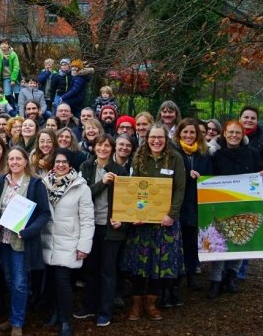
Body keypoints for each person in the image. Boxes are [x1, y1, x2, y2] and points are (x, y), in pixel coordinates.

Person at [122, 124, 185, 321]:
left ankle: (151, 304)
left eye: (160, 137)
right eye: (152, 137)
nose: (156, 141)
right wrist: (136, 215)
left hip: (165, 222)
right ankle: (136, 303)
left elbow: (180, 189)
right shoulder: (139, 157)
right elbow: (134, 189)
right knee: (139, 264)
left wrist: (171, 215)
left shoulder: (175, 158)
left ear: (166, 139)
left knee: (159, 265)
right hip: (142, 221)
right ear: (147, 138)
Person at [0, 146, 51, 336]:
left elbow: (44, 214)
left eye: (18, 159)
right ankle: (13, 315)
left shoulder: (35, 184)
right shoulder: (1, 181)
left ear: (26, 161)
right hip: (3, 241)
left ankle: (17, 322)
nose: (14, 162)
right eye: (11, 159)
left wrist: (29, 231)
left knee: (19, 283)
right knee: (9, 280)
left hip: (21, 242)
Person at [207, 121, 263, 298]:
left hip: (244, 203)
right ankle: (215, 280)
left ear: (243, 135)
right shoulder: (216, 155)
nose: (234, 135)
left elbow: (260, 173)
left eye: (237, 133)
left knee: (241, 238)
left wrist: (261, 175)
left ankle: (231, 276)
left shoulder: (252, 154)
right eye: (230, 132)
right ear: (224, 133)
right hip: (221, 203)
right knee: (220, 239)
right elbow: (209, 176)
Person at [73, 134, 127, 326]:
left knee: (108, 270)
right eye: (100, 145)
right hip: (89, 226)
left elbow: (127, 201)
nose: (103, 149)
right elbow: (83, 194)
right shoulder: (86, 167)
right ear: (94, 148)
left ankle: (105, 311)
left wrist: (123, 221)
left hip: (111, 228)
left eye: (107, 146)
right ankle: (89, 306)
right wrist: (102, 182)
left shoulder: (120, 170)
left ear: (112, 150)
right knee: (90, 269)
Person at [41, 148, 94, 336]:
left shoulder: (81, 187)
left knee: (63, 280)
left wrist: (84, 246)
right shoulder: (44, 184)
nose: (60, 165)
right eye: (57, 162)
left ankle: (65, 320)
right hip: (48, 241)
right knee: (51, 281)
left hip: (70, 241)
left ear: (70, 164)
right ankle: (55, 312)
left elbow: (88, 219)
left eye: (64, 162)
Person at [172, 118, 211, 298]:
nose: (188, 135)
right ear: (179, 133)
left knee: (191, 242)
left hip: (196, 203)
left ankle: (190, 274)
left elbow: (211, 176)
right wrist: (185, 174)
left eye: (192, 132)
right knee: (177, 243)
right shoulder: (173, 152)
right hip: (178, 203)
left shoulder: (204, 154)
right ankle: (175, 278)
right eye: (185, 132)